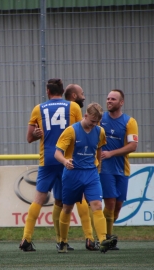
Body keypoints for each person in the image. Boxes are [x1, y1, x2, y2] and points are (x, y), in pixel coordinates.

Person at [19, 78, 82, 252]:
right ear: (62, 92)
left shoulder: (38, 108)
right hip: (66, 160)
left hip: (47, 160)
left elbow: (29, 138)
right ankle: (62, 241)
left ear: (47, 91)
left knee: (38, 199)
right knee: (63, 202)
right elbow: (81, 132)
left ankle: (26, 238)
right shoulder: (74, 107)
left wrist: (39, 134)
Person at [54, 102, 117, 253]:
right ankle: (62, 241)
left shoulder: (100, 131)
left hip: (91, 174)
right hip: (72, 174)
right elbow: (57, 153)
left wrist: (98, 167)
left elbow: (99, 149)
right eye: (92, 121)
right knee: (67, 208)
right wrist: (64, 161)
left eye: (97, 122)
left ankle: (102, 240)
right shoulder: (71, 131)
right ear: (86, 115)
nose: (94, 124)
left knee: (96, 205)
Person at [61, 83, 99, 251]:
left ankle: (61, 241)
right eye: (82, 93)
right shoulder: (75, 108)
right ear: (74, 96)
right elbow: (83, 132)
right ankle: (89, 238)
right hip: (73, 160)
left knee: (61, 205)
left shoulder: (43, 108)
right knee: (80, 202)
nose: (84, 96)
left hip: (51, 157)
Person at [99, 89, 138, 250]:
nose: (109, 101)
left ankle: (105, 234)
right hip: (104, 169)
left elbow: (133, 146)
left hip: (122, 169)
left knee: (117, 208)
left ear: (121, 102)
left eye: (113, 99)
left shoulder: (129, 122)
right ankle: (105, 238)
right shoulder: (100, 119)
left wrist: (111, 153)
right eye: (108, 98)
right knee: (109, 203)